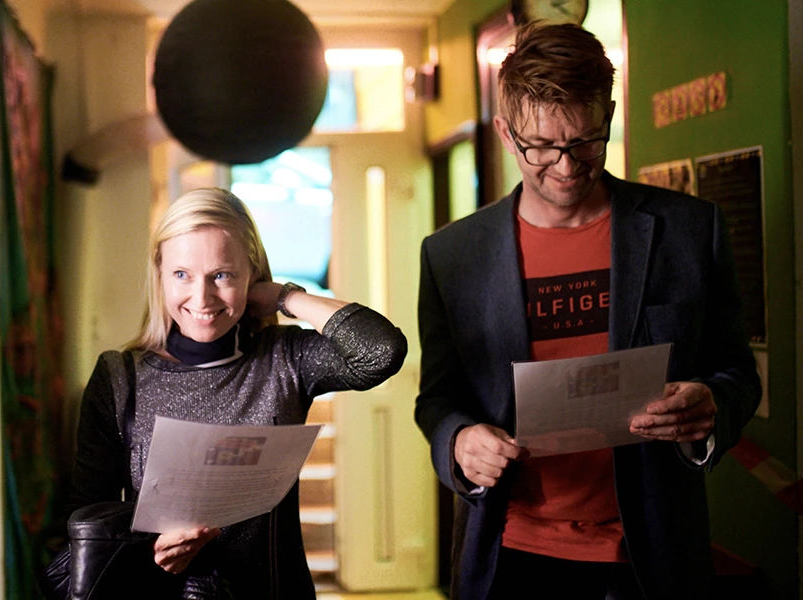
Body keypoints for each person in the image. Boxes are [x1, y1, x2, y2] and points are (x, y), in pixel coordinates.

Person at [414, 23, 761, 599]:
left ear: (609, 116)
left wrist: (713, 403)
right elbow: (437, 398)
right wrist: (457, 440)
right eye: (541, 146)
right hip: (511, 553)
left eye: (584, 142)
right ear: (505, 133)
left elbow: (737, 371)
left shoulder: (688, 230)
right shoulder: (453, 256)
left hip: (654, 552)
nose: (566, 166)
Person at [69, 188, 407, 598]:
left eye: (222, 275)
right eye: (182, 275)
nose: (202, 298)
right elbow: (84, 518)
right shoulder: (120, 377)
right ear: (159, 273)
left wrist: (285, 297)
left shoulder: (285, 359)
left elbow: (381, 352)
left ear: (253, 274)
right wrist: (149, 552)